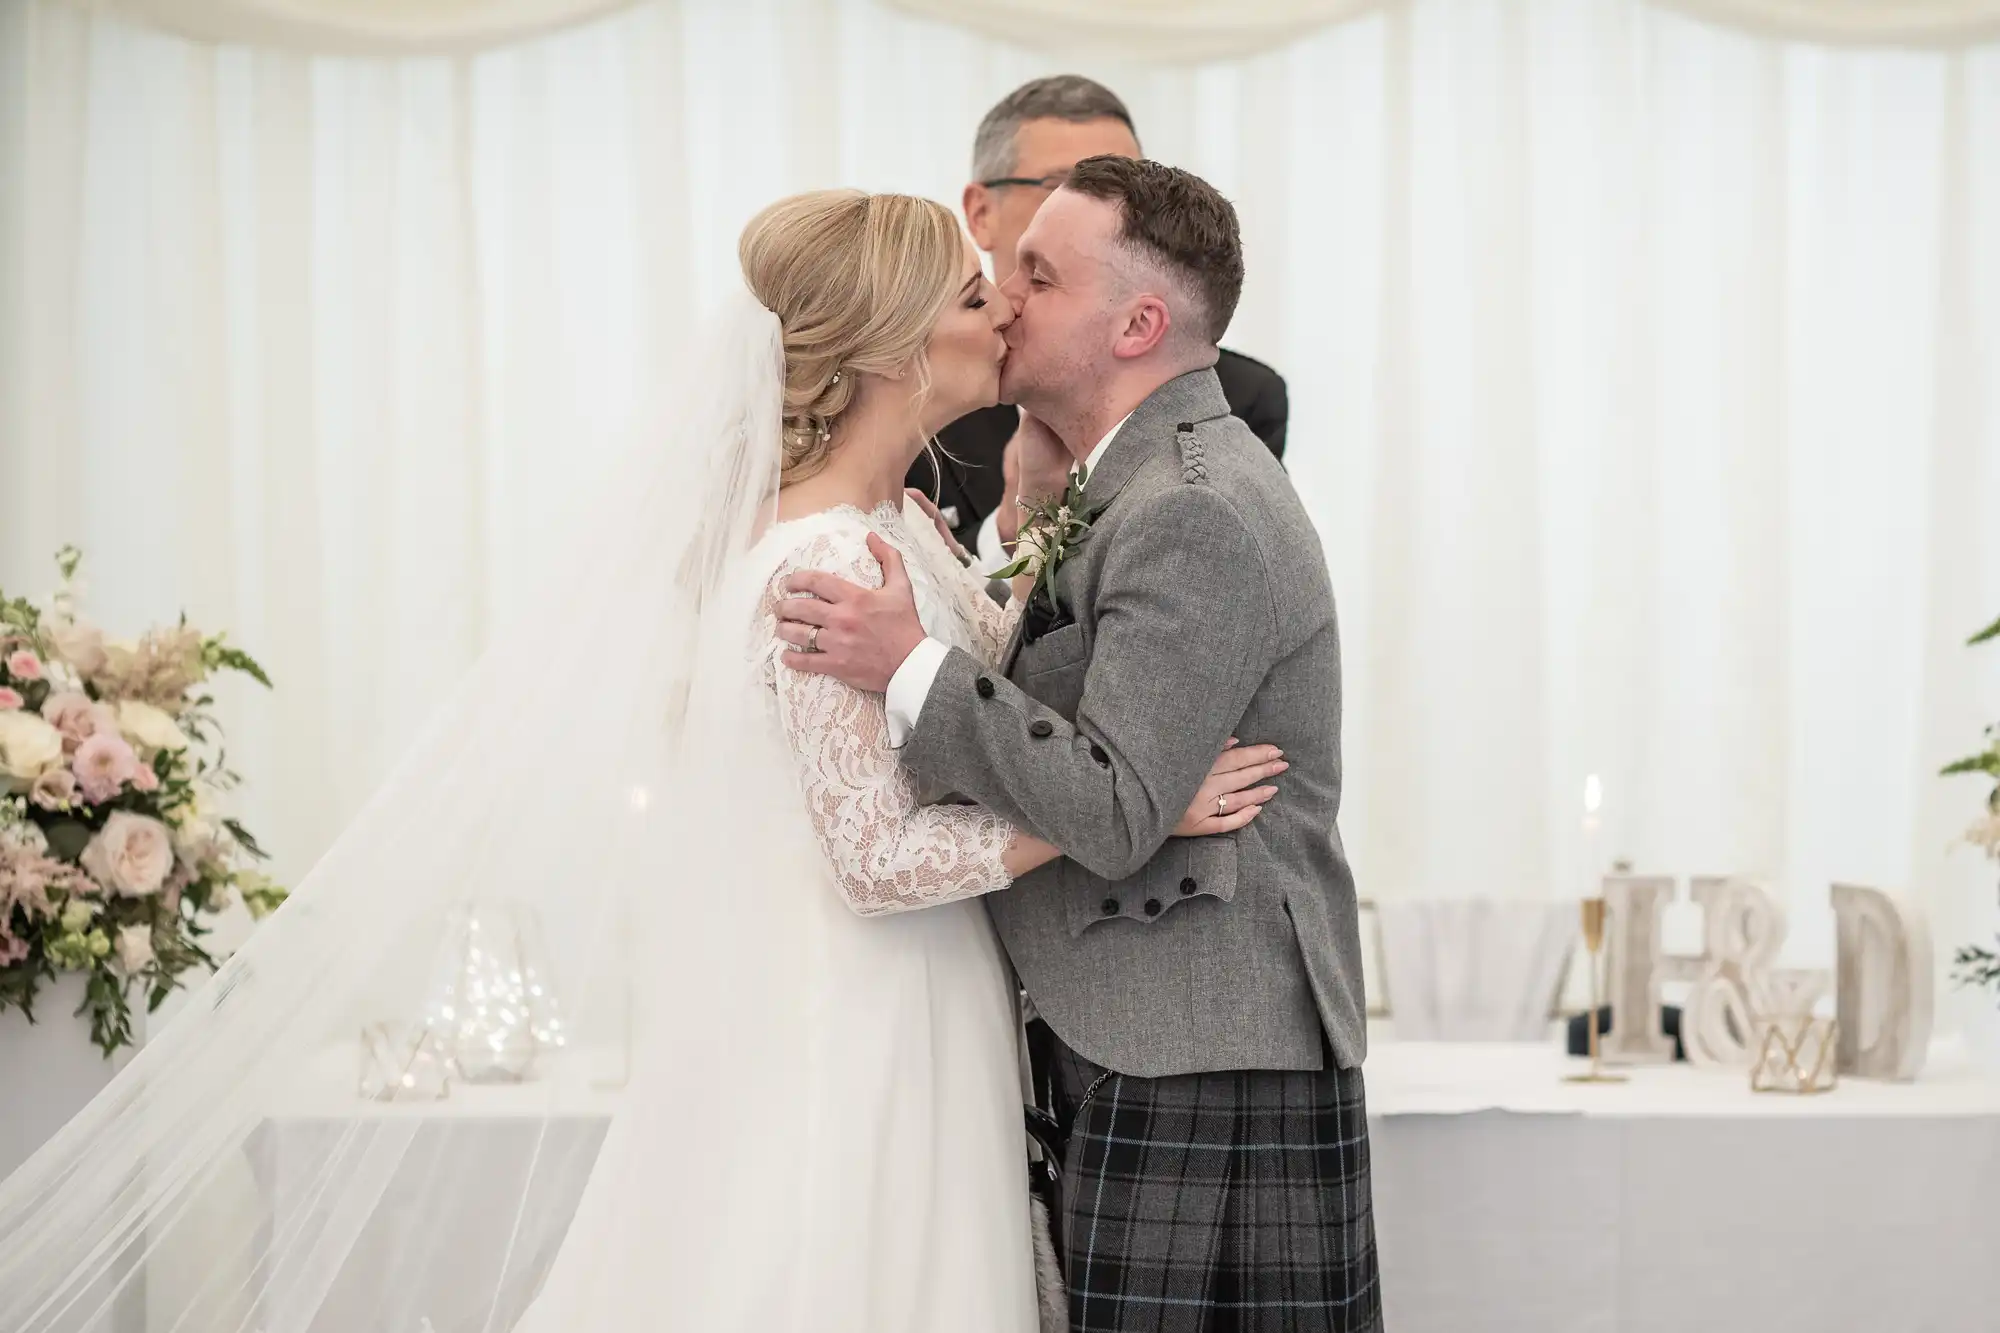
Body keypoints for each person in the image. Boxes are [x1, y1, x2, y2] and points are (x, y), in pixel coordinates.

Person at [0, 192, 1287, 1333]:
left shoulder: (892, 524)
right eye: (971, 293)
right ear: (896, 347)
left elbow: (978, 679)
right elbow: (876, 859)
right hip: (856, 1005)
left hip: (918, 994)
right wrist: (1132, 808)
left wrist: (1024, 517)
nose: (1000, 306)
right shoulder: (819, 569)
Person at [780, 158, 1382, 1331]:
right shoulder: (1122, 484)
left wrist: (910, 663)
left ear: (1136, 324)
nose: (1003, 298)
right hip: (1143, 1035)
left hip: (1191, 1052)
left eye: (1037, 276)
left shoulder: (1190, 507)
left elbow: (1114, 811)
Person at [910, 75, 1289, 560]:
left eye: (1125, 182)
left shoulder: (1240, 401)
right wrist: (1010, 528)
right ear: (981, 213)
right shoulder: (915, 383)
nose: (1108, 209)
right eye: (1062, 185)